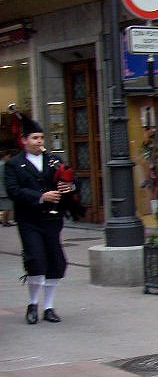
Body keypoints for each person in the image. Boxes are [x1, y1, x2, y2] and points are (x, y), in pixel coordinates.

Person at [3, 119, 75, 324]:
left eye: (41, 138)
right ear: (24, 140)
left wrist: (68, 188)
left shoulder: (53, 160)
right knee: (36, 259)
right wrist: (40, 197)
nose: (39, 141)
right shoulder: (14, 164)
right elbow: (13, 191)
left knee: (56, 261)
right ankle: (33, 303)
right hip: (29, 219)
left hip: (52, 219)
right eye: (34, 138)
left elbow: (71, 181)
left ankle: (49, 307)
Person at [0, 150, 14, 226]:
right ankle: (5, 221)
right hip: (4, 189)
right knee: (7, 206)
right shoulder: (3, 165)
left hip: (3, 189)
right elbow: (3, 178)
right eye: (9, 156)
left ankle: (6, 220)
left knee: (6, 206)